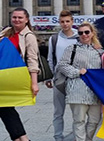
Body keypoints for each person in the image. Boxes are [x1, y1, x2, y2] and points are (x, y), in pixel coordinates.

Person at [0, 7, 39, 141]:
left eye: (20, 17)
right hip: (0, 76)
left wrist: (34, 83)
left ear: (26, 19)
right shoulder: (6, 32)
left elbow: (32, 60)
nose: (16, 20)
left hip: (15, 76)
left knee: (4, 106)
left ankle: (22, 138)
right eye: (14, 17)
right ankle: (19, 138)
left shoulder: (29, 36)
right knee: (4, 107)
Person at [57, 22, 104, 141]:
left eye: (87, 32)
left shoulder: (100, 52)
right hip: (77, 89)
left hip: (95, 91)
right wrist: (77, 72)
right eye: (81, 33)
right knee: (79, 120)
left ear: (92, 33)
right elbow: (62, 65)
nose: (84, 35)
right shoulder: (72, 49)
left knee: (94, 120)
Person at [45, 10, 79, 141]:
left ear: (72, 21)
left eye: (67, 21)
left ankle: (75, 137)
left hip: (76, 79)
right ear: (59, 22)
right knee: (58, 111)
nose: (65, 24)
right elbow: (50, 58)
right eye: (62, 22)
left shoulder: (79, 36)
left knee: (77, 113)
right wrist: (50, 77)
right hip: (59, 78)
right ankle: (58, 137)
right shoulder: (54, 38)